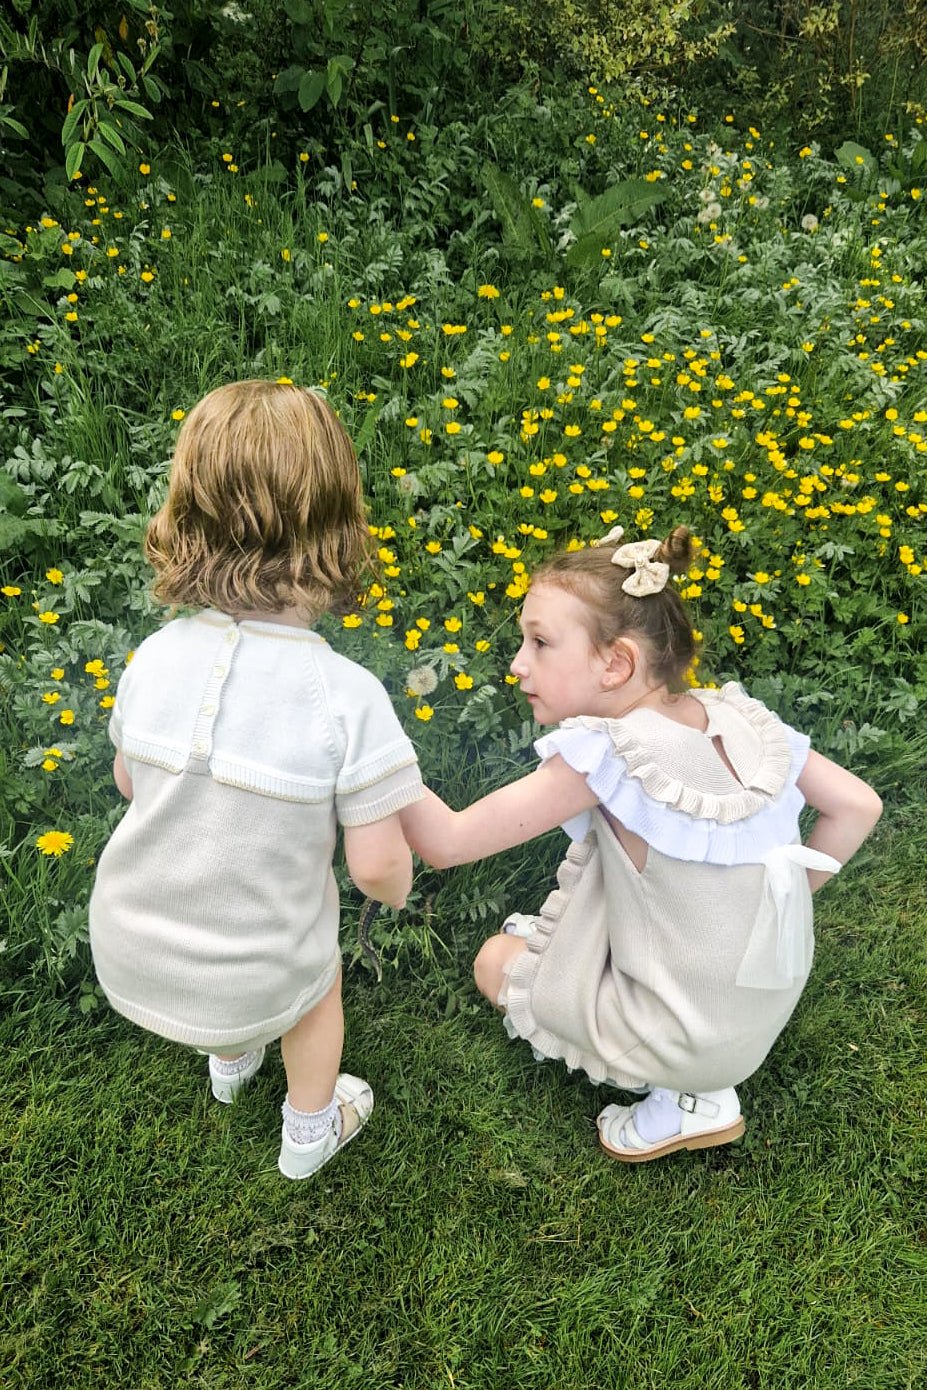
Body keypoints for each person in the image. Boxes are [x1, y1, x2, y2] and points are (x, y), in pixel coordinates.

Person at [399, 524, 882, 1161]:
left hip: (696, 1041)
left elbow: (448, 841)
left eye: (539, 643)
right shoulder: (743, 719)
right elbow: (859, 805)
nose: (518, 663)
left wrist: (373, 760)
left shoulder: (609, 754)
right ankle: (682, 1056)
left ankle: (690, 1101)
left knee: (496, 961)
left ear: (617, 662)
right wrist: (778, 902)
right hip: (764, 994)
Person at [89, 380, 423, 1180]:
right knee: (314, 979)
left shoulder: (155, 657)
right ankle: (310, 1129)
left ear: (186, 516)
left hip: (130, 947)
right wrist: (399, 889)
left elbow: (129, 781)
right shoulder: (344, 696)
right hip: (259, 971)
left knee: (223, 895)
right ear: (338, 525)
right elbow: (377, 865)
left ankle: (230, 1063)